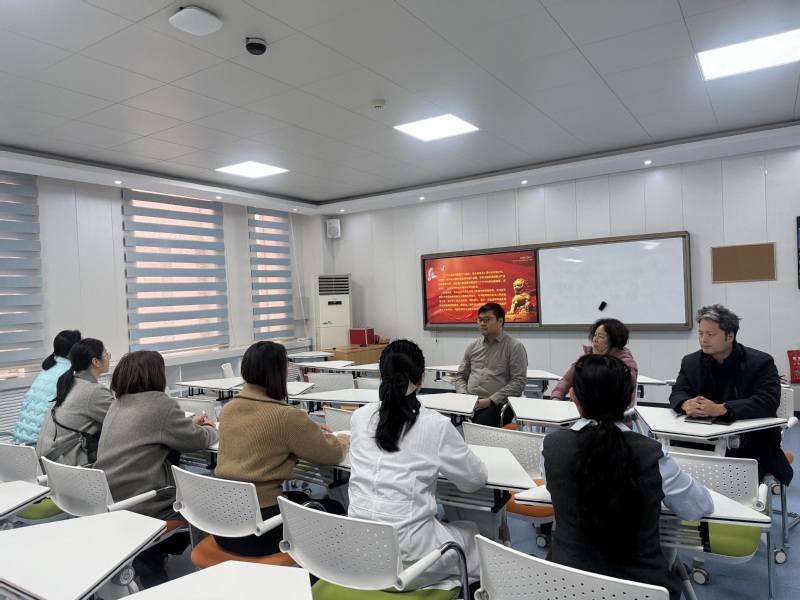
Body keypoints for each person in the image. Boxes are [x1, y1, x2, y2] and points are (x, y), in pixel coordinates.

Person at [542, 354, 713, 600]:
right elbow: (697, 507)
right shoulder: (652, 453)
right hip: (642, 588)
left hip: (566, 584)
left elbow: (553, 485)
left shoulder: (551, 446)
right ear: (631, 397)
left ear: (573, 396)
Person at [348, 339, 488, 591]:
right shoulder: (436, 425)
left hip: (359, 554)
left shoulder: (359, 417)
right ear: (422, 379)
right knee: (474, 536)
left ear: (381, 377)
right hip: (412, 563)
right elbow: (474, 480)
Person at [93, 350, 218, 588]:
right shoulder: (161, 404)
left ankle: (151, 556)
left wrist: (186, 424)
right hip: (146, 501)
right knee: (204, 502)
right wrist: (212, 429)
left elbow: (154, 429)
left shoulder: (117, 403)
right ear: (155, 375)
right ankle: (207, 574)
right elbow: (198, 440)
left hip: (111, 498)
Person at [214, 341, 349, 557]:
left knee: (297, 496)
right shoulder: (286, 416)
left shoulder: (229, 409)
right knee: (334, 510)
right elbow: (331, 454)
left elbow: (264, 431)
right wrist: (342, 438)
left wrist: (307, 429)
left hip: (222, 524)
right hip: (258, 532)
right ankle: (317, 574)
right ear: (278, 372)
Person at [669, 304, 793, 484]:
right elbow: (679, 391)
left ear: (730, 336)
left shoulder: (760, 363)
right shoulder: (690, 362)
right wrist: (685, 404)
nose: (703, 339)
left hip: (748, 441)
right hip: (700, 438)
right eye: (700, 333)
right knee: (677, 469)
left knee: (738, 485)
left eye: (710, 334)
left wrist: (723, 409)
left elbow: (767, 401)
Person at [36, 338, 112, 465]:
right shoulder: (94, 391)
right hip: (67, 464)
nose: (108, 358)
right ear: (95, 361)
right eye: (106, 354)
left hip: (48, 462)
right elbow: (120, 421)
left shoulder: (68, 383)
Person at [454, 302, 527, 427]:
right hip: (469, 402)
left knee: (478, 428)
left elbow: (518, 382)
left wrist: (491, 400)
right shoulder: (473, 347)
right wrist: (463, 395)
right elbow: (461, 376)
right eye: (480, 320)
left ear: (500, 321)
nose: (482, 323)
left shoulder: (514, 347)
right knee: (442, 421)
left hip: (497, 405)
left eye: (487, 319)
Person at [13, 329, 81, 445]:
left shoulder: (48, 369)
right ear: (71, 352)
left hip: (19, 443)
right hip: (38, 446)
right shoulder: (70, 373)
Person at [550, 318, 638, 401]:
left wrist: (598, 359)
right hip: (582, 407)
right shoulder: (587, 356)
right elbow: (567, 380)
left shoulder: (625, 360)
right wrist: (556, 397)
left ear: (614, 340)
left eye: (600, 336)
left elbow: (625, 383)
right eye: (595, 335)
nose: (595, 340)